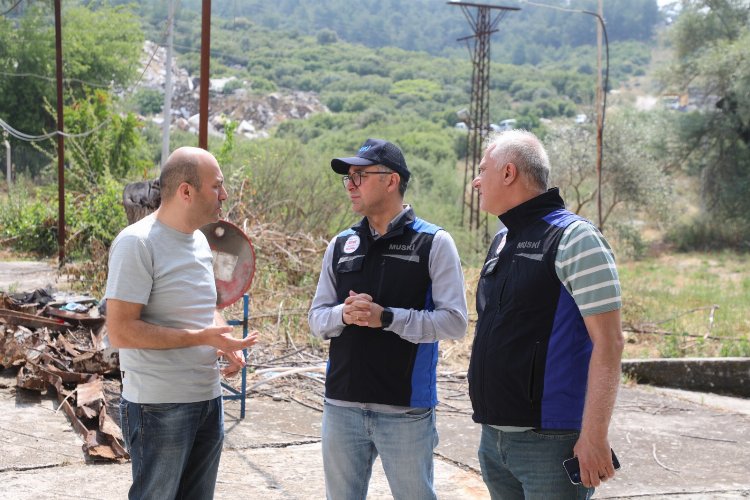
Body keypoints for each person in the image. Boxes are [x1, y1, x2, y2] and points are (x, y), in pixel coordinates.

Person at [308, 138, 468, 500]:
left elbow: (455, 322)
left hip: (405, 409)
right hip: (342, 406)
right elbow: (316, 319)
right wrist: (344, 314)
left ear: (391, 180)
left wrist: (388, 318)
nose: (350, 185)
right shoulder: (340, 244)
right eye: (348, 177)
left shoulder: (434, 242)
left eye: (360, 176)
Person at [468, 130, 624, 499]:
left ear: (509, 173)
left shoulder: (576, 238)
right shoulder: (502, 240)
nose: (476, 181)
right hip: (494, 439)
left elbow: (610, 343)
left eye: (482, 169)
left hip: (552, 443)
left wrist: (594, 435)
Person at [105, 146, 259, 500]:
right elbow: (121, 330)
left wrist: (223, 340)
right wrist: (201, 338)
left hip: (208, 399)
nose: (224, 195)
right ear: (186, 191)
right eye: (217, 186)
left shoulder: (200, 241)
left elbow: (206, 307)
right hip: (159, 407)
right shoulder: (136, 243)